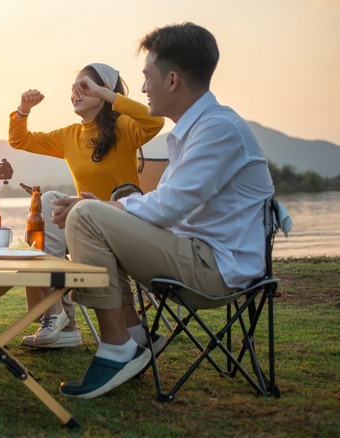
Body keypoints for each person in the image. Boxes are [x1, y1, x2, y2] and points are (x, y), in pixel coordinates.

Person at [57, 22, 275, 399]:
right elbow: (167, 208)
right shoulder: (196, 130)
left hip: (215, 270)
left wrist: (102, 209)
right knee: (91, 214)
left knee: (86, 216)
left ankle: (118, 347)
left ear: (172, 80)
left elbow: (167, 208)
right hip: (196, 253)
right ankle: (136, 334)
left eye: (147, 77)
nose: (142, 88)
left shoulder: (218, 130)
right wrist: (106, 209)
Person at [8, 63, 164, 349]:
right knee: (46, 204)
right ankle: (58, 318)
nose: (75, 95)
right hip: (85, 228)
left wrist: (107, 94)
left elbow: (155, 121)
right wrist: (23, 110)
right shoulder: (70, 135)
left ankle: (63, 321)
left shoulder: (125, 127)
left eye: (84, 88)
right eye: (73, 89)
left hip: (125, 225)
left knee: (50, 208)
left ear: (104, 91)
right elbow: (19, 140)